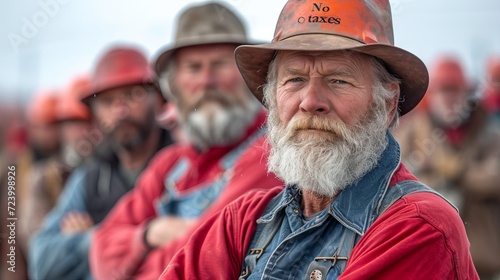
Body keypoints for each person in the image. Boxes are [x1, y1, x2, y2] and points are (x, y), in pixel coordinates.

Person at [160, 1, 479, 279]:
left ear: (387, 103)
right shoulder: (240, 223)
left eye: (338, 80)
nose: (310, 101)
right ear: (272, 99)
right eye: (295, 79)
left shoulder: (419, 227)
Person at [90, 3, 283, 279]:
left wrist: (136, 258)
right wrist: (149, 234)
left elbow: (204, 259)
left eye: (220, 64)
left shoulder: (269, 154)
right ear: (174, 85)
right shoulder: (168, 165)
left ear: (249, 76)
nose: (207, 81)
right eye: (193, 68)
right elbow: (101, 252)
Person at [28, 45, 174, 280]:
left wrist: (94, 247)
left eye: (130, 96)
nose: (120, 111)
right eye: (107, 102)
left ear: (156, 99)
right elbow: (42, 261)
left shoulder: (185, 164)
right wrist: (103, 240)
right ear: (95, 113)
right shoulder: (90, 177)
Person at [19, 76, 94, 247]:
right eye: (71, 123)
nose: (79, 132)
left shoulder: (109, 171)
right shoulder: (41, 178)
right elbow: (36, 243)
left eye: (85, 122)